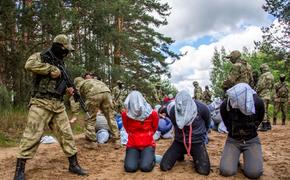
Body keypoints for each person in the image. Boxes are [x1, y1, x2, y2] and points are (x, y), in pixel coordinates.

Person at [14, 34, 87, 180]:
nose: (67, 53)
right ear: (59, 46)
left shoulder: (62, 64)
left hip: (58, 106)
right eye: (65, 49)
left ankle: (73, 165)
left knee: (67, 135)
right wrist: (49, 69)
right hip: (40, 103)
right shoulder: (40, 56)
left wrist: (69, 89)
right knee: (32, 135)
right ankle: (19, 170)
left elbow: (60, 82)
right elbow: (28, 65)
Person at [159, 90, 211, 175]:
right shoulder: (173, 110)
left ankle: (196, 154)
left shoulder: (202, 108)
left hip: (197, 142)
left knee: (204, 171)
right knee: (164, 166)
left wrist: (202, 137)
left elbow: (207, 123)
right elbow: (175, 124)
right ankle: (180, 154)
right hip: (179, 141)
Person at [219, 83, 264, 179]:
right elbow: (227, 124)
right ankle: (234, 159)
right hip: (233, 141)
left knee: (254, 174)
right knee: (226, 171)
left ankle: (247, 159)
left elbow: (259, 120)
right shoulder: (225, 105)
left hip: (251, 140)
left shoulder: (258, 103)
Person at [73, 75, 120, 149]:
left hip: (94, 94)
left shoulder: (79, 84)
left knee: (90, 119)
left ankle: (93, 143)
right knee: (110, 118)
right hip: (107, 92)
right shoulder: (92, 81)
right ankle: (117, 141)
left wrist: (75, 113)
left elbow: (75, 98)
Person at [122, 91, 159, 172]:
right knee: (130, 168)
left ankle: (150, 156)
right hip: (133, 144)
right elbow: (126, 128)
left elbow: (154, 128)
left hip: (148, 144)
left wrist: (146, 136)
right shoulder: (125, 114)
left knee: (145, 168)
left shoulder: (153, 113)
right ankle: (138, 157)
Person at [256, 63, 274, 131]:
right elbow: (273, 85)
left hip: (263, 94)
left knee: (263, 110)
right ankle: (268, 125)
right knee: (266, 109)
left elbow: (260, 85)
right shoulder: (271, 75)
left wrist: (256, 91)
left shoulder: (263, 75)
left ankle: (264, 125)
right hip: (269, 94)